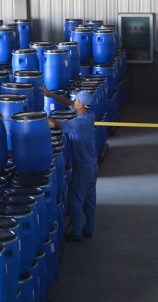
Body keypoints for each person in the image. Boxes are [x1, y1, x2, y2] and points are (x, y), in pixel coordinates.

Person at [41, 87, 98, 242]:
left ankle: (77, 233)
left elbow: (55, 124)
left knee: (75, 199)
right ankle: (89, 228)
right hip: (92, 164)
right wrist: (51, 94)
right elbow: (69, 103)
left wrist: (37, 117)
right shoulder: (89, 114)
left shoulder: (78, 123)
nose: (74, 101)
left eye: (76, 100)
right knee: (90, 197)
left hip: (83, 167)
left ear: (81, 105)